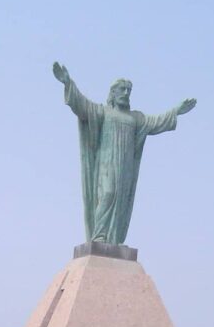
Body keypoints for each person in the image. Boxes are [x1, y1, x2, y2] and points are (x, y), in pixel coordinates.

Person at [53, 62, 196, 246]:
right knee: (108, 193)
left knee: (121, 201)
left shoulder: (136, 118)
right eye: (122, 89)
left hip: (125, 167)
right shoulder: (102, 112)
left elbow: (157, 122)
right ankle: (99, 236)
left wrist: (176, 111)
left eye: (129, 90)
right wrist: (67, 83)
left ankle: (114, 240)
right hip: (106, 164)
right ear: (113, 93)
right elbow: (81, 104)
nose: (126, 94)